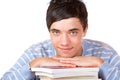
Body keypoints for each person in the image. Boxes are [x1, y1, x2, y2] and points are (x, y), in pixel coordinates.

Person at [1, 0, 120, 80]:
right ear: (49, 31)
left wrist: (100, 64)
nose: (64, 42)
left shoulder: (105, 52)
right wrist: (34, 65)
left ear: (85, 30)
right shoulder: (36, 53)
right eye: (56, 32)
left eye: (73, 32)